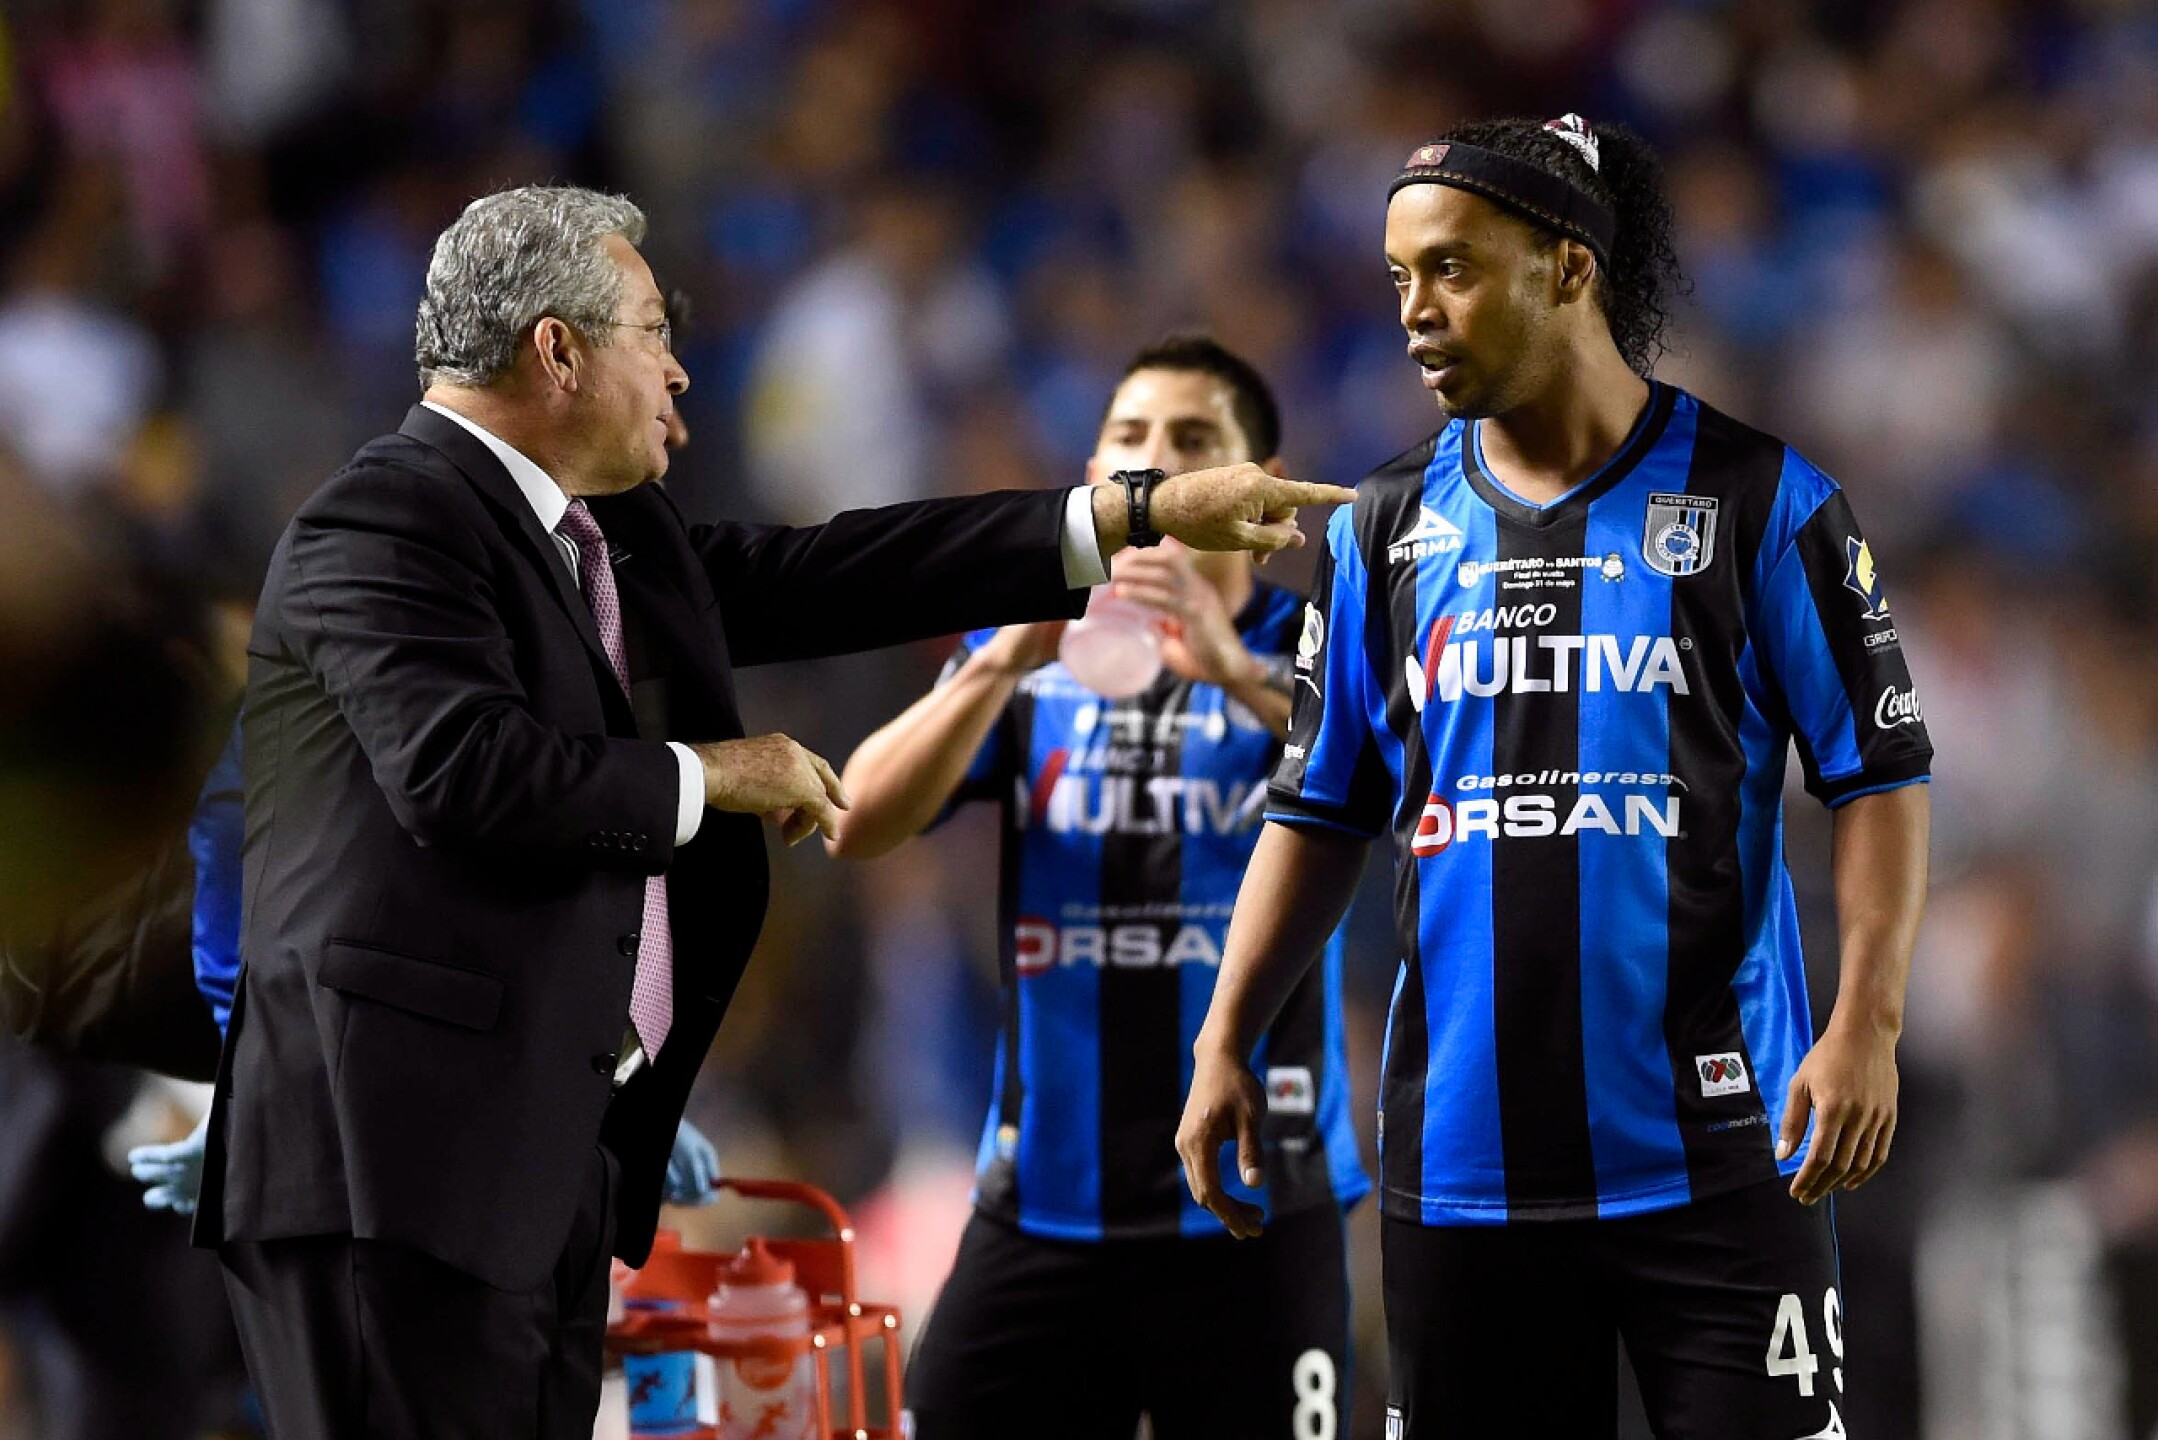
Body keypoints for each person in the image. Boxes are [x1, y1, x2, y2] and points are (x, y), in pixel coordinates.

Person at [197, 184, 1350, 1440]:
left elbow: (825, 572)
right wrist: (713, 775)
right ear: (557, 351)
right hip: (387, 1176)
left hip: (527, 1168)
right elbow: (461, 771)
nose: (683, 372)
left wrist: (1124, 516)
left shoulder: (599, 538)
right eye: (653, 331)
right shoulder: (385, 519)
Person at [1176, 115, 1932, 1438]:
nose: (1413, 311)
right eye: (1398, 277)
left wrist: (1864, 1020)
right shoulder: (1377, 530)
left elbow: (1874, 775)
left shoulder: (1762, 501)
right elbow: (1315, 808)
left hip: (1721, 1156)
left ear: (1569, 270)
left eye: (1452, 269)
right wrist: (1227, 1034)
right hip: (1460, 1166)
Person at [830, 336, 1370, 1439]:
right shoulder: (1032, 651)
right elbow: (855, 822)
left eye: (1190, 441)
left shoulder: (1314, 648)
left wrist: (1236, 672)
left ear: (1256, 487)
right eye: (1128, 440)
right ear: (1092, 481)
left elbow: (1408, 787)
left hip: (1253, 1210)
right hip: (1040, 1207)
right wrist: (993, 664)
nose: (1156, 465)